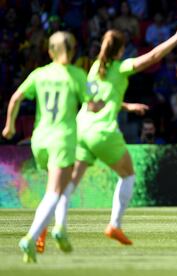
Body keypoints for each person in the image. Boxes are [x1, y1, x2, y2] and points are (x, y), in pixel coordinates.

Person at [37, 15, 177, 248]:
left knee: (69, 183)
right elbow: (152, 57)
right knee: (128, 175)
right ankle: (114, 225)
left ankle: (50, 227)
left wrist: (127, 105)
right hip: (102, 131)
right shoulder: (121, 68)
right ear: (120, 51)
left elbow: (96, 99)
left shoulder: (94, 69)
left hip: (81, 129)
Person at [2, 31, 103, 263]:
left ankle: (61, 228)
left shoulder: (39, 74)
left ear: (49, 51)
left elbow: (16, 97)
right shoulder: (77, 75)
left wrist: (9, 126)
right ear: (74, 49)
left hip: (39, 139)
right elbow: (93, 105)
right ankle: (31, 237)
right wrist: (102, 97)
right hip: (62, 138)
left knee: (63, 185)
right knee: (55, 192)